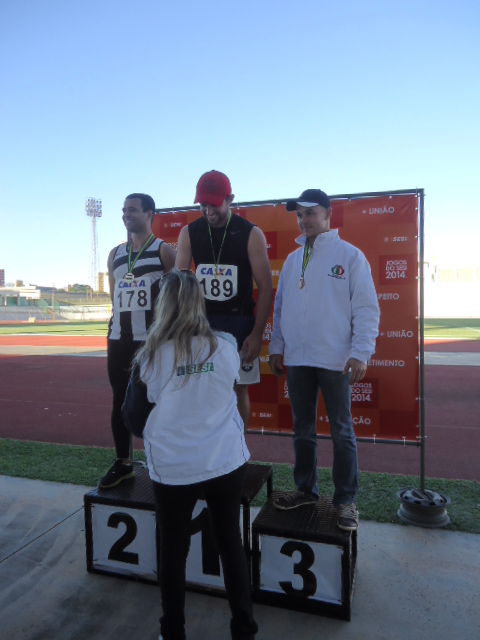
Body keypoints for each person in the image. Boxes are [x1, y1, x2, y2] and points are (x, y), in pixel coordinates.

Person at [122, 269, 258, 640]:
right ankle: (244, 629)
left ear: (162, 306)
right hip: (225, 461)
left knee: (173, 549)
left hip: (174, 468)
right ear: (199, 302)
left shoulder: (150, 358)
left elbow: (134, 420)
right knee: (230, 542)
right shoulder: (226, 345)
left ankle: (173, 632)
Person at [269, 189, 380, 531]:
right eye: (299, 215)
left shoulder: (350, 256)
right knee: (302, 430)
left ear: (328, 214)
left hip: (336, 360)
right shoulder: (292, 260)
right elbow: (280, 308)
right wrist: (277, 346)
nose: (304, 220)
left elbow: (366, 308)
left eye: (310, 213)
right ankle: (306, 490)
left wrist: (361, 352)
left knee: (342, 431)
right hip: (298, 359)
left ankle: (346, 500)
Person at [175, 170, 272, 429]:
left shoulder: (251, 233)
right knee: (201, 389)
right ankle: (207, 447)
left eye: (214, 204)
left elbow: (265, 286)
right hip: (201, 323)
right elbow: (178, 285)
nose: (208, 211)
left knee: (238, 389)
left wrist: (257, 334)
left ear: (230, 199)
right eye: (203, 204)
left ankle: (237, 446)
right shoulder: (189, 232)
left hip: (239, 322)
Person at [99, 193, 175, 489]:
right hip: (119, 339)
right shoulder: (115, 254)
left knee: (158, 400)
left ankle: (164, 462)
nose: (126, 215)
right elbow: (115, 296)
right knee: (119, 400)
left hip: (151, 342)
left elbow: (174, 297)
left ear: (149, 214)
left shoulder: (163, 252)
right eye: (123, 210)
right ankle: (123, 463)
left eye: (132, 210)